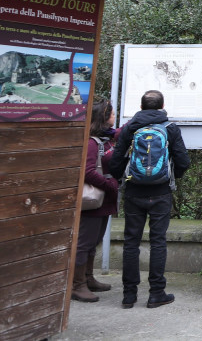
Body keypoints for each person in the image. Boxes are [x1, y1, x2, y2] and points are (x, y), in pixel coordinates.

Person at [108, 89, 190, 309]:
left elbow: (115, 161)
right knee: (158, 242)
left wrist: (123, 178)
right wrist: (170, 177)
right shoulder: (170, 128)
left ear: (141, 106)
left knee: (131, 243)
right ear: (162, 106)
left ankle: (128, 295)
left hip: (134, 192)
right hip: (161, 192)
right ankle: (156, 293)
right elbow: (183, 160)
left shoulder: (130, 128)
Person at [72, 100, 118, 303]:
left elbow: (122, 132)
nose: (114, 116)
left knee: (94, 241)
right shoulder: (92, 142)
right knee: (84, 242)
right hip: (94, 199)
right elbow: (88, 171)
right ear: (103, 117)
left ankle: (89, 278)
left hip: (104, 200)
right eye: (112, 114)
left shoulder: (106, 138)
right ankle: (77, 284)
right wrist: (109, 185)